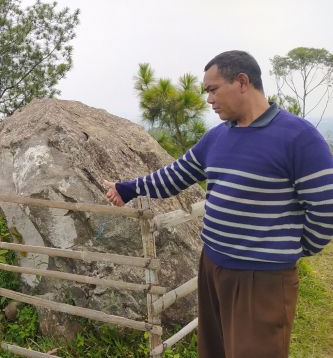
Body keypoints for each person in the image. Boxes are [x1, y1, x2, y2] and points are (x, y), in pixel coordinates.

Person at [103, 50, 333, 358]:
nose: (209, 99)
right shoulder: (217, 138)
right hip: (212, 267)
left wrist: (290, 249)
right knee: (214, 351)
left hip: (262, 279)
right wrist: (128, 188)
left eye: (213, 89)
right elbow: (175, 175)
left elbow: (325, 211)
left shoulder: (299, 138)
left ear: (241, 82)